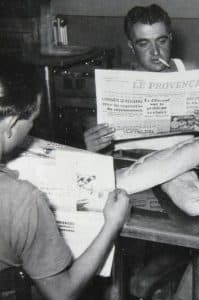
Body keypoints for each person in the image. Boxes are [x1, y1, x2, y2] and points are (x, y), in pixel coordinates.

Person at [0, 59, 130, 300]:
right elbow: (62, 293)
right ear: (11, 124)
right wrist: (112, 224)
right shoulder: (24, 200)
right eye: (32, 121)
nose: (32, 129)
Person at [84, 4, 199, 152]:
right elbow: (95, 131)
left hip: (181, 163)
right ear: (131, 46)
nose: (155, 52)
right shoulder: (117, 80)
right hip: (130, 163)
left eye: (162, 41)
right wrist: (93, 143)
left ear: (170, 38)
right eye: (144, 43)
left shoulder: (187, 71)